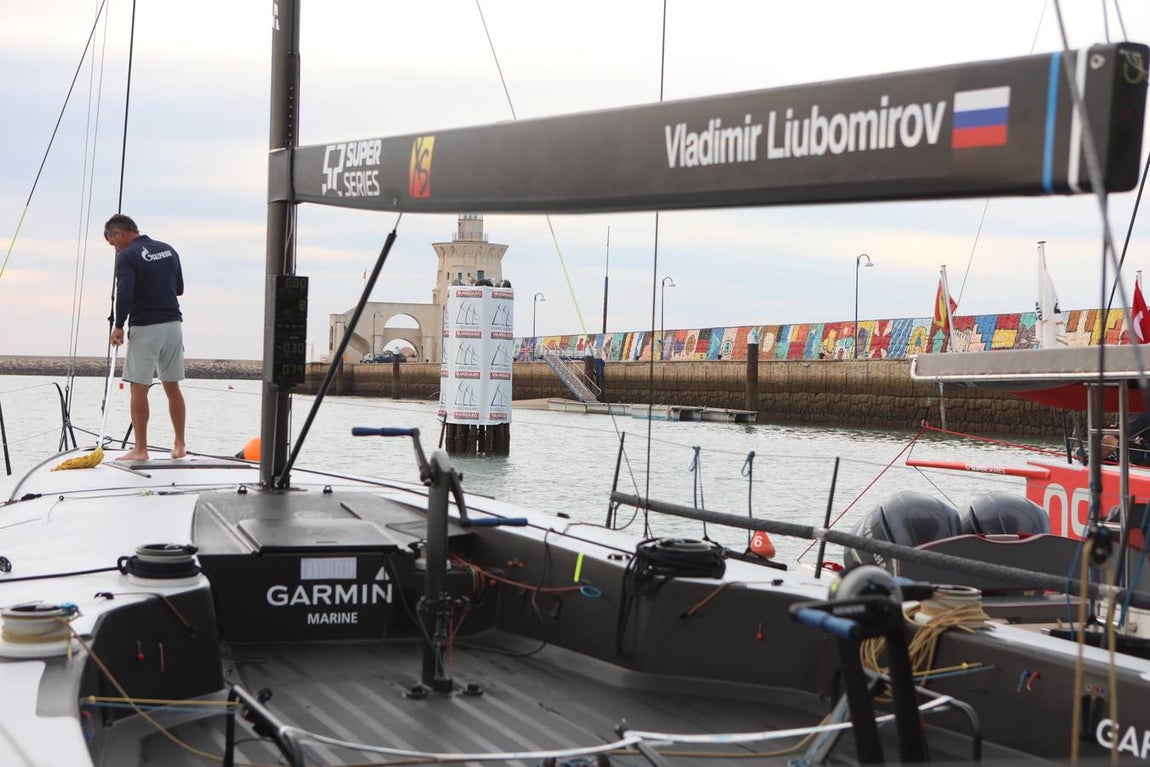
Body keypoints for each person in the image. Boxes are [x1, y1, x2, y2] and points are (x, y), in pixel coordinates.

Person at [105, 214, 186, 460]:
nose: (115, 249)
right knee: (172, 387)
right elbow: (179, 288)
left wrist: (119, 325)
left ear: (119, 234)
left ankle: (140, 449)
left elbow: (125, 292)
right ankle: (180, 446)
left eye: (113, 243)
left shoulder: (127, 256)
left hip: (146, 327)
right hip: (173, 326)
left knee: (138, 390)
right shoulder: (168, 249)